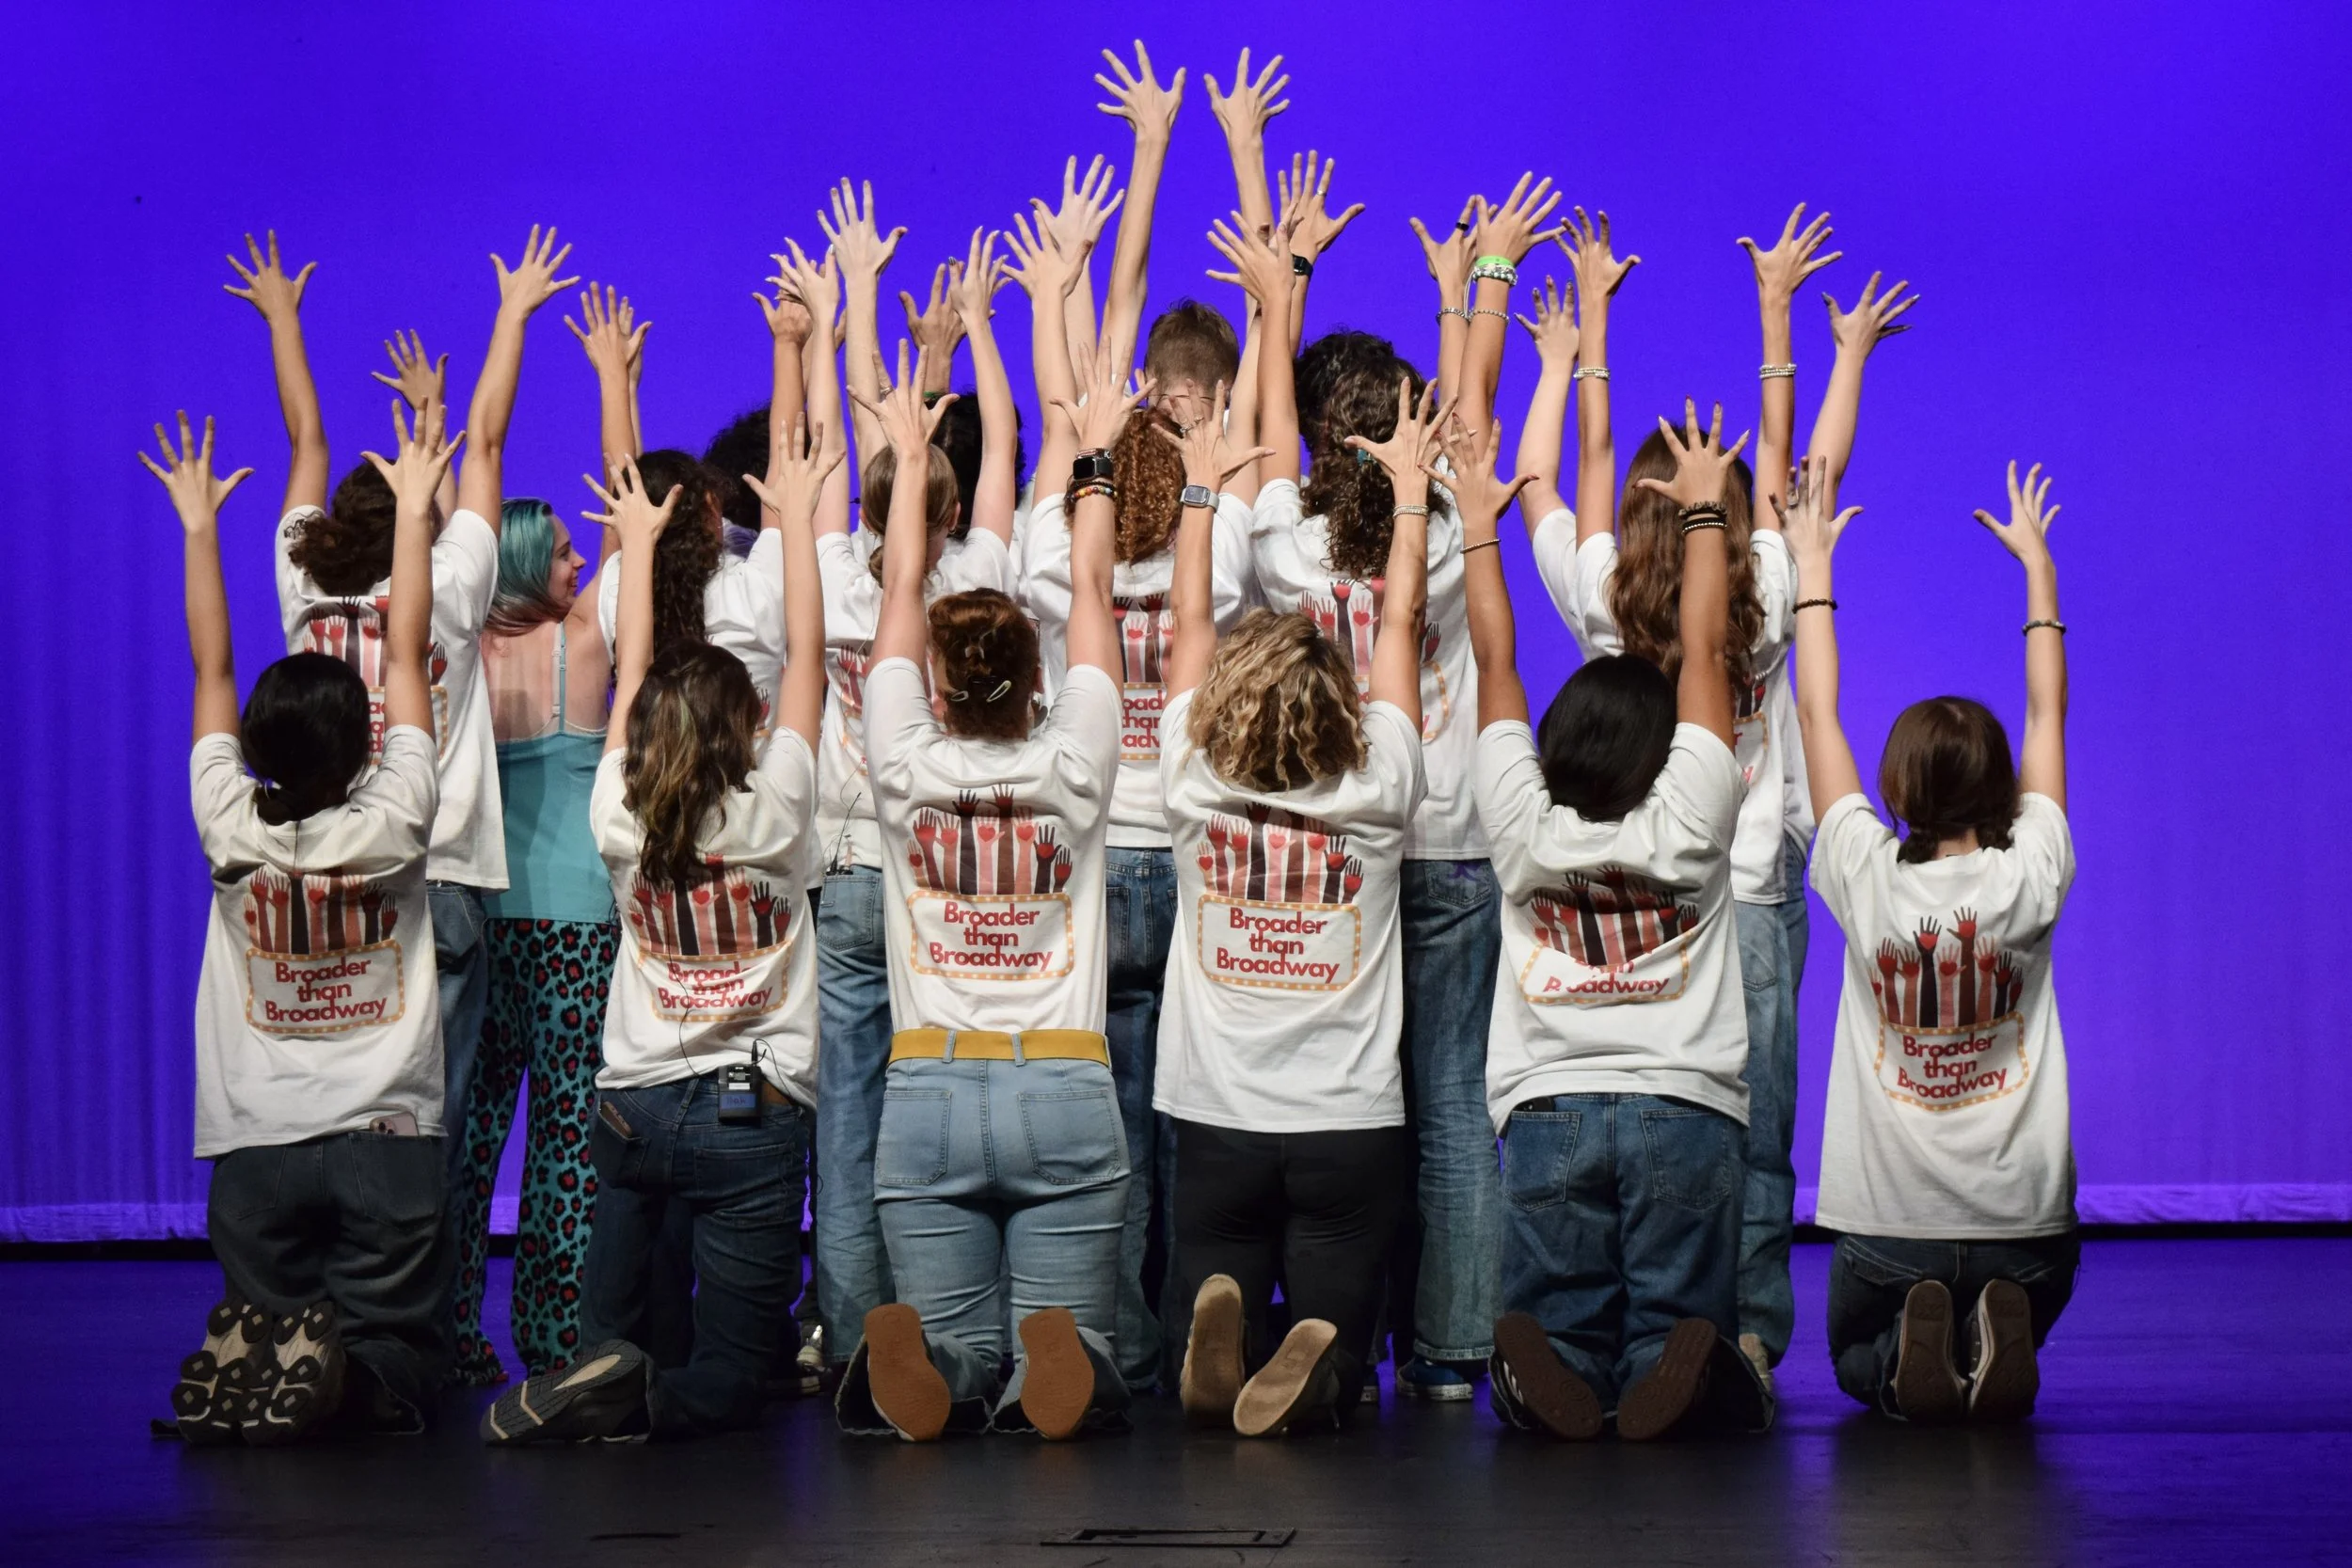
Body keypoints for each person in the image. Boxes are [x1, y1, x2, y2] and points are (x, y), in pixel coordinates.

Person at [231, 228, 577, 1376]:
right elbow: (483, 441)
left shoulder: (299, 581)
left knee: (324, 1087)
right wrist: (513, 314)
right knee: (440, 1116)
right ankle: (415, 1336)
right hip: (446, 873)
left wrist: (282, 319)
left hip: (326, 865)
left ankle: (310, 1313)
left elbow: (306, 439)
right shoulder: (454, 586)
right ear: (423, 531)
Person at [1240, 171, 1560, 1401]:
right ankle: (1451, 1354)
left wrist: (1286, 290)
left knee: (1355, 1109)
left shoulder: (1288, 543)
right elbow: (1465, 414)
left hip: (1348, 850)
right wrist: (1481, 282)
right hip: (1459, 845)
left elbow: (1272, 437)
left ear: (1325, 436)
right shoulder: (1437, 510)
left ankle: (1350, 1333)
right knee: (1448, 1113)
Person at [481, 413, 835, 1444]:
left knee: (620, 1329)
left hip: (632, 1110)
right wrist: (800, 523)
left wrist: (635, 551)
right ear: (747, 730)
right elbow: (806, 656)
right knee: (730, 1377)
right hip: (750, 1117)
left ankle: (603, 1366)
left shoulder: (619, 813)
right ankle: (636, 1391)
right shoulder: (774, 811)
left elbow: (629, 677)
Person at [1152, 256, 1430, 1445]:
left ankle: (1213, 1317)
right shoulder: (1376, 787)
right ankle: (1317, 1354)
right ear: (1344, 705)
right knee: (1341, 1322)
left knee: (1209, 1253)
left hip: (1215, 1113)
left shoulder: (1188, 775)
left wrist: (1203, 497)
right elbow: (1403, 624)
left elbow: (1188, 631)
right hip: (1345, 1123)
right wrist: (1413, 499)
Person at [833, 344, 1133, 1443]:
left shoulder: (904, 760)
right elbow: (1093, 587)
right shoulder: (1076, 763)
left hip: (927, 1089)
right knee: (1078, 1339)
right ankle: (1062, 1355)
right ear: (1038, 682)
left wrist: (912, 460)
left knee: (951, 1340)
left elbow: (903, 586)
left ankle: (950, 1360)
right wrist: (1094, 456)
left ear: (937, 689)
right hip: (1060, 1081)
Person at [1470, 400, 1772, 1443]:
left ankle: (1553, 1364)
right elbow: (1700, 653)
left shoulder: (1519, 825)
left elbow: (1496, 663)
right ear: (1668, 747)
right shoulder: (1693, 814)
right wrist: (1703, 520)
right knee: (1681, 1306)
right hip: (1682, 1105)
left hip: (1550, 1107)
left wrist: (1476, 529)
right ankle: (1672, 1359)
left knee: (1557, 1304)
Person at [162, 402, 458, 1445]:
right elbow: (412, 651)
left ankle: (261, 1349)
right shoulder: (395, 819)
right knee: (397, 1341)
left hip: (257, 1142)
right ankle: (354, 1378)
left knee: (278, 1308)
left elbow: (210, 672)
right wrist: (416, 515)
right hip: (387, 1132)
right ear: (360, 739)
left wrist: (199, 532)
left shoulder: (228, 821)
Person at [776, 204, 1026, 1381]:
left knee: (850, 1113)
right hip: (931, 874)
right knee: (938, 1107)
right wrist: (968, 337)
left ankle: (853, 1329)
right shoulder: (975, 570)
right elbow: (993, 447)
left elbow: (838, 439)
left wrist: (844, 315)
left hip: (848, 873)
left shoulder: (829, 567)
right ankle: (949, 1319)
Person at [1781, 455, 2078, 1423]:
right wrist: (2038, 571)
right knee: (2030, 1295)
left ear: (1896, 792)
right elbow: (2047, 713)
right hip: (2025, 1233)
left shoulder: (1864, 876)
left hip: (1888, 1234)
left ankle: (1919, 1351)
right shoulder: (2030, 871)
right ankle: (1991, 1333)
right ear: (2000, 792)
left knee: (1852, 1359)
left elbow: (1816, 712)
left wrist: (1810, 567)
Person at [450, 493, 616, 1385]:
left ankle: (448, 1334)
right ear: (519, 566)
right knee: (566, 1140)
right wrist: (612, 383)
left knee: (473, 1143)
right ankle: (555, 1339)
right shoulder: (579, 643)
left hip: (485, 926)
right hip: (575, 933)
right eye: (559, 554)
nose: (577, 563)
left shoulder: (463, 658)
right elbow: (624, 526)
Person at [571, 284, 788, 727]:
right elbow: (784, 469)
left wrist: (616, 381)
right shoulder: (756, 586)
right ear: (711, 506)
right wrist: (793, 345)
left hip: (656, 794)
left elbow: (624, 477)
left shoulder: (621, 589)